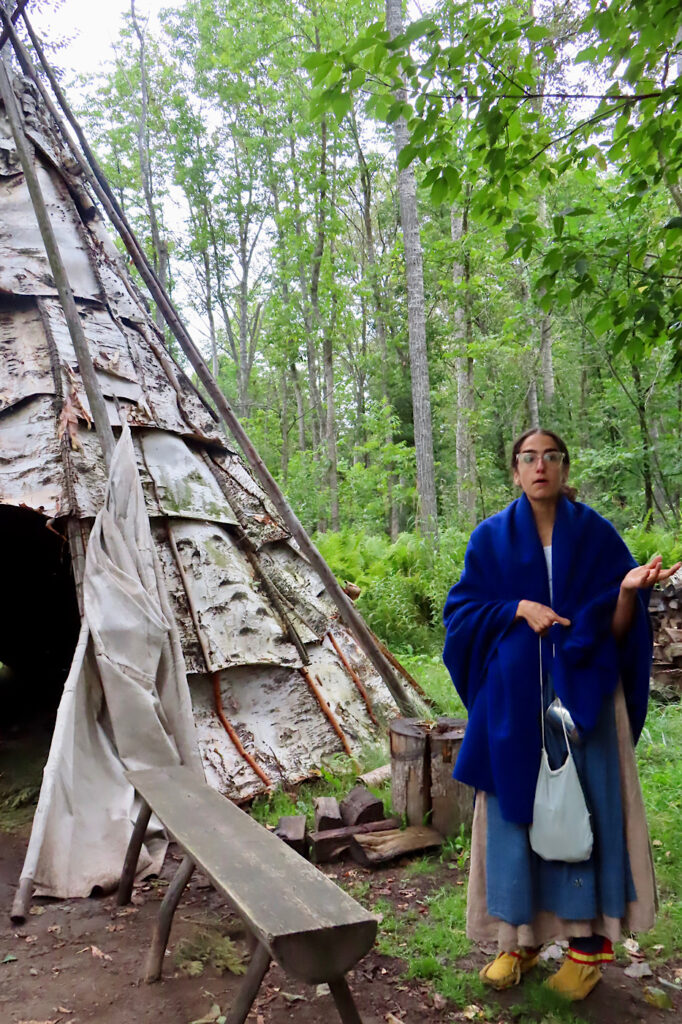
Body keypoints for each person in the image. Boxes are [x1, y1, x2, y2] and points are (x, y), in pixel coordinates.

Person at [442, 428, 680, 1001]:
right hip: (513, 704)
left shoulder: (596, 536)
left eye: (551, 456)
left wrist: (627, 592)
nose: (540, 466)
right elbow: (462, 615)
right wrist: (517, 609)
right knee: (513, 816)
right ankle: (516, 942)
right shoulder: (491, 539)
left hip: (585, 700)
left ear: (564, 467)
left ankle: (585, 951)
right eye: (529, 458)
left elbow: (618, 631)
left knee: (588, 812)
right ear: (515, 472)